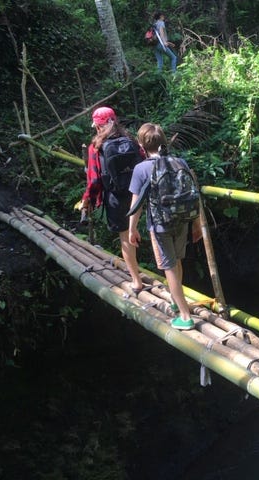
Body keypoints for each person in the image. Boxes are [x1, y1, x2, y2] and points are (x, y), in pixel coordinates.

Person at [128, 123, 195, 330]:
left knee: (169, 267)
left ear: (141, 144)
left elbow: (136, 204)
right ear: (163, 142)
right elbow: (194, 193)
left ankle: (184, 316)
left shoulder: (141, 169)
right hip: (182, 220)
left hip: (160, 224)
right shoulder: (179, 162)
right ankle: (176, 301)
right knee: (177, 262)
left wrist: (132, 228)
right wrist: (198, 224)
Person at [80, 106, 144, 294]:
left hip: (115, 197)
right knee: (136, 230)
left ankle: (136, 281)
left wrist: (88, 200)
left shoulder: (96, 147)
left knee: (125, 238)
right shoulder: (131, 139)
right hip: (137, 195)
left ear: (98, 126)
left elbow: (94, 180)